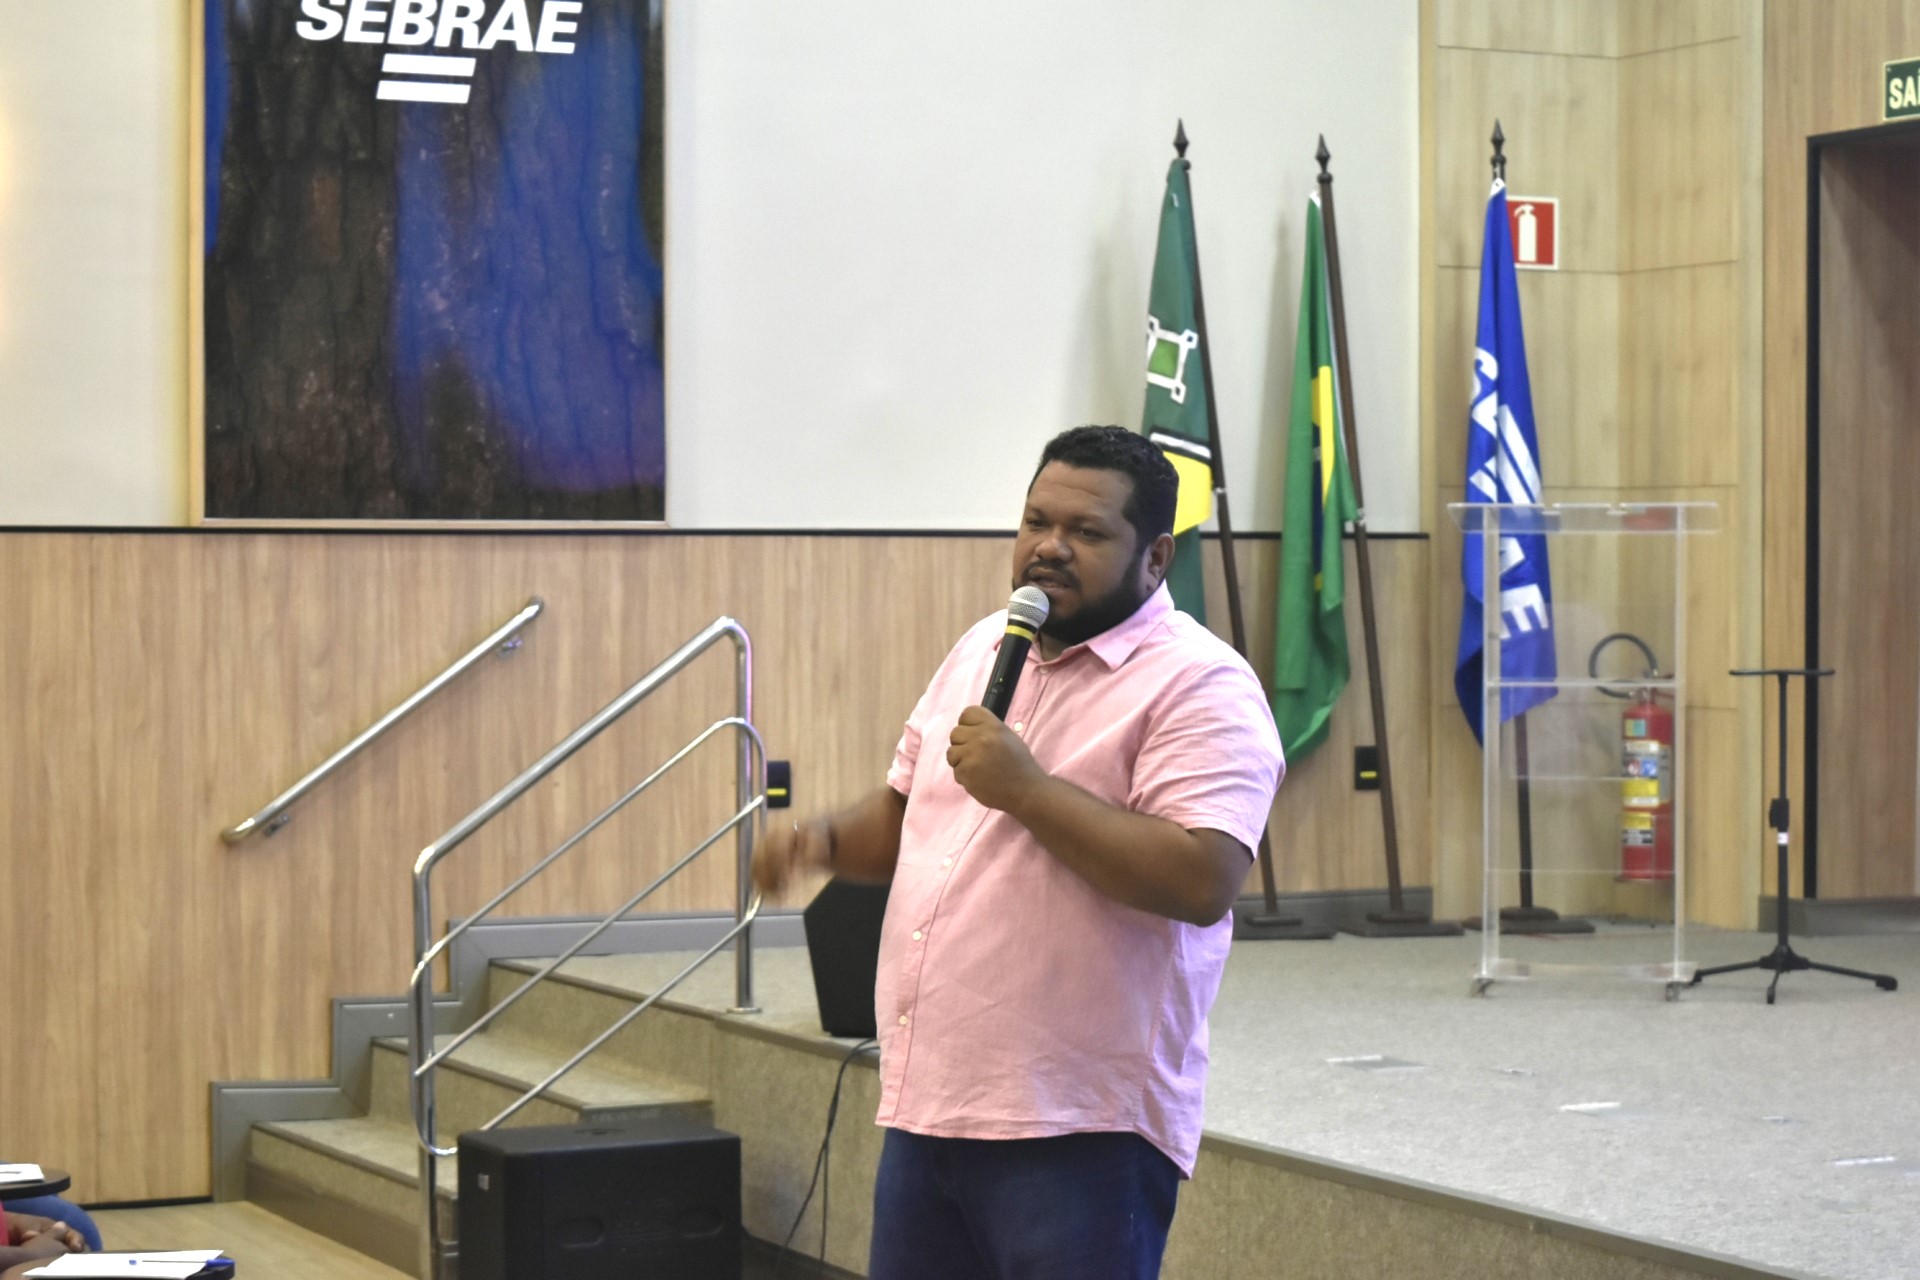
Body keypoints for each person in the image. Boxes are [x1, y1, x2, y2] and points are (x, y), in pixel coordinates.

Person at [755, 425, 1285, 1280]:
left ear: (1156, 556)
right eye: (1037, 521)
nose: (1049, 546)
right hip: (932, 1104)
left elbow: (1202, 878)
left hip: (1080, 1126)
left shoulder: (1202, 684)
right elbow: (905, 817)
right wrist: (819, 842)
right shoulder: (982, 648)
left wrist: (1029, 790)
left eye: (1086, 531)